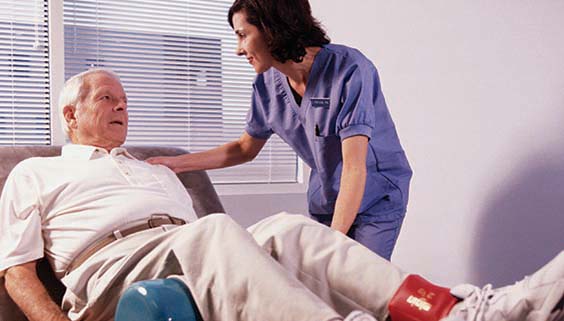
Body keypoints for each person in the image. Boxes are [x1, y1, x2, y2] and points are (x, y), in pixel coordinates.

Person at [0, 69, 562, 321]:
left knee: (292, 228)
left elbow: (217, 220)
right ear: (70, 114)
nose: (121, 106)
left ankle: (455, 311)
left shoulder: (155, 168)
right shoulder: (37, 173)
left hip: (185, 252)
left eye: (124, 99)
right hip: (111, 274)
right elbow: (16, 269)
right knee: (217, 232)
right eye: (105, 98)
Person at [146, 0, 413, 260]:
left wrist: (333, 244)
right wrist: (175, 163)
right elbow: (243, 148)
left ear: (272, 29)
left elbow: (354, 168)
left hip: (376, 195)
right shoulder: (267, 83)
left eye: (242, 35)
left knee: (359, 281)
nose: (238, 50)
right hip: (328, 196)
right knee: (324, 285)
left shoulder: (349, 69)